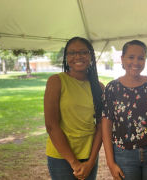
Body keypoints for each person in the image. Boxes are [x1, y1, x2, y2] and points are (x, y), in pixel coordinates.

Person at [102, 40, 147, 180]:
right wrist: (110, 162)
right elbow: (106, 125)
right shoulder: (112, 88)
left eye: (141, 58)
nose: (136, 62)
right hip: (124, 156)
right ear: (122, 59)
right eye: (131, 57)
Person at [44, 37, 103, 180]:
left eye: (83, 52)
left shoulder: (99, 87)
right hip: (61, 157)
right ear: (66, 57)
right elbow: (51, 126)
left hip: (89, 155)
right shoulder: (56, 81)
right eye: (71, 53)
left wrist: (91, 161)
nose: (78, 56)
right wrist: (74, 163)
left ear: (91, 56)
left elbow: (101, 126)